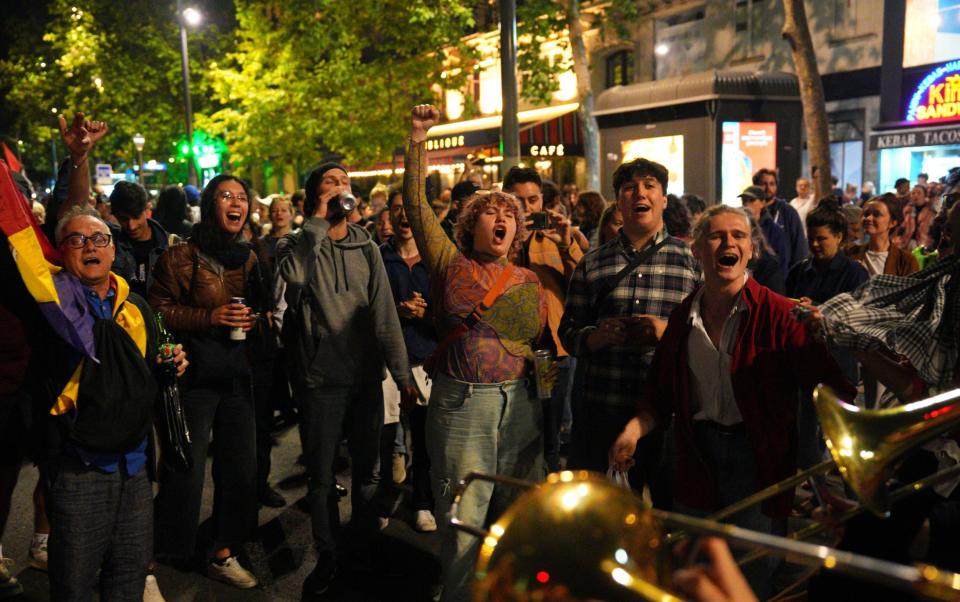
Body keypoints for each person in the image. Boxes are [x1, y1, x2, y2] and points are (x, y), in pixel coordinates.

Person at [610, 204, 854, 596]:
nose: (729, 243)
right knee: (697, 576)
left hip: (758, 462)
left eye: (739, 235)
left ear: (752, 250)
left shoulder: (779, 313)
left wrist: (824, 469)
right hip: (695, 459)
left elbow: (833, 387)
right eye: (717, 235)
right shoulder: (682, 318)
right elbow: (658, 396)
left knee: (751, 578)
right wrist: (632, 432)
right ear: (697, 250)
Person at [404, 105, 550, 602]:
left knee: (521, 514)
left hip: (522, 406)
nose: (503, 218)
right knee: (464, 517)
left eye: (511, 213)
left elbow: (539, 347)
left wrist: (547, 387)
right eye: (492, 212)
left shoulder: (529, 279)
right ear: (470, 224)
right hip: (463, 405)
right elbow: (417, 207)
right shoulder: (449, 263)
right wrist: (419, 138)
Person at [278, 162, 416, 599]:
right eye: (330, 184)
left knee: (370, 473)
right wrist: (315, 221)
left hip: (364, 379)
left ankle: (361, 549)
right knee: (320, 478)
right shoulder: (296, 244)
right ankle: (329, 556)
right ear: (313, 196)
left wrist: (401, 373)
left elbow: (384, 316)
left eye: (345, 182)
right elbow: (296, 278)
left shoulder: (367, 246)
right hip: (321, 380)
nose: (341, 189)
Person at [38, 206, 188, 601]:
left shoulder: (135, 305)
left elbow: (150, 368)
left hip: (135, 466)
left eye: (99, 238)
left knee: (130, 573)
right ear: (60, 251)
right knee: (75, 581)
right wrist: (77, 161)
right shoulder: (52, 307)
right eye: (77, 239)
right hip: (78, 469)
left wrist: (172, 358)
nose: (90, 246)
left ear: (112, 248)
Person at [559, 155, 699, 504]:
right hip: (602, 412)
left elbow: (714, 334)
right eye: (629, 188)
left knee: (672, 516)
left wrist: (666, 330)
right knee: (603, 516)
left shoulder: (692, 262)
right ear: (619, 202)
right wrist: (596, 336)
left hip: (667, 415)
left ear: (664, 199)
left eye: (650, 186)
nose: (640, 193)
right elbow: (568, 333)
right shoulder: (593, 262)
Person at [149, 174, 264, 589]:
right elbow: (156, 312)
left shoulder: (249, 258)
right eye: (226, 196)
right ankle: (160, 552)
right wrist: (207, 318)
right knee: (185, 470)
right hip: (194, 377)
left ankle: (223, 551)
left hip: (237, 377)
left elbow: (264, 312)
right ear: (211, 205)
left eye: (242, 197)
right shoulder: (180, 256)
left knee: (239, 471)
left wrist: (254, 321)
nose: (236, 203)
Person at [503, 165, 582, 474]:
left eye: (533, 200)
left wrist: (565, 242)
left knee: (551, 426)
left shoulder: (555, 238)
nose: (526, 208)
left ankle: (546, 492)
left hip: (552, 352)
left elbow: (581, 286)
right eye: (518, 201)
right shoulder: (495, 240)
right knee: (516, 430)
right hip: (511, 354)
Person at [380, 188, 439, 533]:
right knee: (386, 440)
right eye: (397, 209)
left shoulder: (435, 260)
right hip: (388, 363)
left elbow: (451, 314)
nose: (404, 216)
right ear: (388, 214)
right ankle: (383, 502)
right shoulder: (379, 257)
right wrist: (397, 311)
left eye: (410, 209)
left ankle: (422, 502)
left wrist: (425, 313)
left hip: (426, 362)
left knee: (424, 439)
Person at [110, 181, 169, 299]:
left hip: (157, 315)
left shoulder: (169, 245)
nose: (131, 226)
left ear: (147, 210)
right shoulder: (110, 243)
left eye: (136, 217)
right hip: (124, 315)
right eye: (123, 219)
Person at [846, 194, 919, 277]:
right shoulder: (850, 254)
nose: (868, 218)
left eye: (877, 214)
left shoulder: (906, 261)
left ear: (892, 222)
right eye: (866, 214)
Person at [753, 168, 808, 269]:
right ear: (755, 185)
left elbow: (799, 248)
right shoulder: (749, 212)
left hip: (783, 277)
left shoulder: (788, 212)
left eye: (772, 184)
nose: (768, 187)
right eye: (763, 184)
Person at [739, 185, 790, 276]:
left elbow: (782, 261)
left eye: (751, 200)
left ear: (762, 203)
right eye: (744, 200)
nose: (746, 204)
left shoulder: (775, 230)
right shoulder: (738, 228)